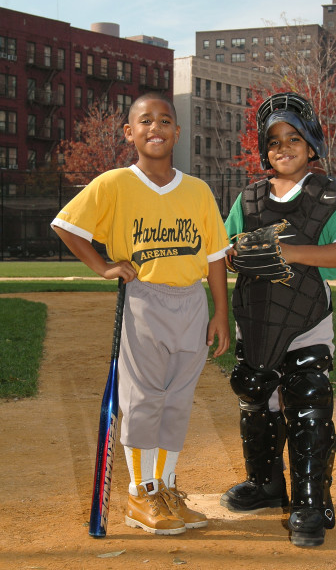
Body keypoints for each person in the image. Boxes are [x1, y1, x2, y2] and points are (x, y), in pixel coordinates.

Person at [52, 92, 230, 536]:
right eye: (145, 121)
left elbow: (214, 256)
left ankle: (166, 488)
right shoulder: (114, 183)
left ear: (177, 131)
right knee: (144, 398)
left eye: (165, 120)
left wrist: (221, 313)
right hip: (144, 298)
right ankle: (140, 492)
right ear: (130, 133)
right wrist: (102, 265)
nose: (156, 128)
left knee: (178, 398)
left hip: (191, 300)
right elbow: (66, 225)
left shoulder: (198, 190)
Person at [221, 92, 336, 547]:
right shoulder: (249, 198)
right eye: (274, 140)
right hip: (256, 319)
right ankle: (265, 484)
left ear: (312, 145)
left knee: (308, 403)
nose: (283, 147)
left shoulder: (328, 195)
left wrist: (288, 251)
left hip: (307, 321)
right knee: (256, 397)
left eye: (294, 138)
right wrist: (239, 253)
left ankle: (309, 501)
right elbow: (223, 252)